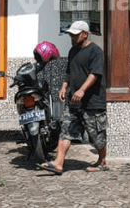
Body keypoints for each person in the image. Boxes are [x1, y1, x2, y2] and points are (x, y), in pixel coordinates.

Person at [38, 20, 107, 175]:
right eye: (71, 35)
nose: (73, 38)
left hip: (92, 102)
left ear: (85, 34)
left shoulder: (96, 51)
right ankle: (58, 163)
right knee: (66, 130)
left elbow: (95, 74)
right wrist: (64, 86)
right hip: (73, 101)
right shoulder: (72, 51)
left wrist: (82, 90)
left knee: (97, 135)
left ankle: (102, 161)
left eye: (75, 35)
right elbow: (69, 71)